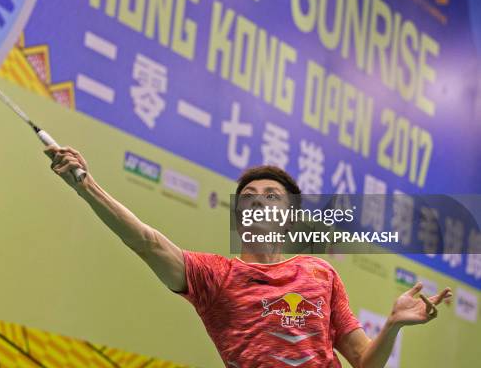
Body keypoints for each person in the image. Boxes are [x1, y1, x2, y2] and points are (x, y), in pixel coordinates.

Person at [44, 146, 452, 368]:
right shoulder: (214, 276)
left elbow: (364, 362)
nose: (260, 204)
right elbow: (148, 243)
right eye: (249, 199)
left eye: (272, 197)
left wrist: (395, 325)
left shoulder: (320, 273)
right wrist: (85, 185)